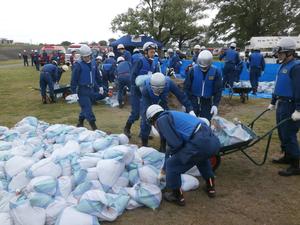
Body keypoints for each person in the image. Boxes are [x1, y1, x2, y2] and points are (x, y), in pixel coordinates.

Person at [146, 105, 220, 205]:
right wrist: (163, 170)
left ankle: (177, 196)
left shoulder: (161, 120)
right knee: (201, 158)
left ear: (152, 119)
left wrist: (166, 168)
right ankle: (211, 187)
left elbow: (176, 144)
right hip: (212, 141)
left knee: (172, 165)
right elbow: (172, 147)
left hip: (199, 141)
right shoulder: (172, 115)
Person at [268, 37, 300, 176]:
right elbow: (278, 84)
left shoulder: (296, 67)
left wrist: (298, 109)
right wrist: (273, 101)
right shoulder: (283, 65)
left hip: (291, 106)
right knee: (282, 132)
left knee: (289, 134)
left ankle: (296, 164)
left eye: (281, 52)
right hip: (282, 104)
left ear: (289, 52)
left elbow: (299, 89)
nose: (278, 55)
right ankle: (287, 156)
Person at [140, 72, 195, 146]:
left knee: (165, 120)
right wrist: (151, 123)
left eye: (160, 89)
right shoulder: (146, 89)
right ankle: (144, 144)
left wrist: (190, 109)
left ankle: (163, 144)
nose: (158, 92)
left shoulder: (169, 83)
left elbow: (181, 95)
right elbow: (145, 109)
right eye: (156, 90)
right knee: (144, 122)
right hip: (150, 102)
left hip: (162, 102)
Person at [123, 42, 160, 138]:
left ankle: (143, 133)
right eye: (151, 52)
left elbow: (156, 77)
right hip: (136, 90)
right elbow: (132, 75)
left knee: (146, 113)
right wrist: (133, 86)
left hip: (146, 92)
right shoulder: (140, 61)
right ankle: (127, 128)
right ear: (145, 52)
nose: (153, 54)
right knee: (135, 113)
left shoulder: (155, 64)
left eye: (154, 52)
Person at [184, 50, 223, 121]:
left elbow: (218, 89)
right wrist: (187, 105)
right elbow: (186, 88)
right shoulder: (192, 70)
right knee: (191, 120)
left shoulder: (215, 72)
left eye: (205, 67)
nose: (203, 68)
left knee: (206, 121)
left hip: (207, 101)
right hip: (194, 99)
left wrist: (215, 104)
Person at [71, 44, 101, 131]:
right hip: (82, 90)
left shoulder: (93, 63)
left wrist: (100, 86)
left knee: (85, 107)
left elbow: (97, 76)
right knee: (88, 109)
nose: (86, 58)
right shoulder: (78, 65)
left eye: (88, 56)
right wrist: (74, 92)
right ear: (81, 56)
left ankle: (80, 123)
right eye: (84, 57)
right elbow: (74, 80)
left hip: (91, 89)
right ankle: (94, 128)